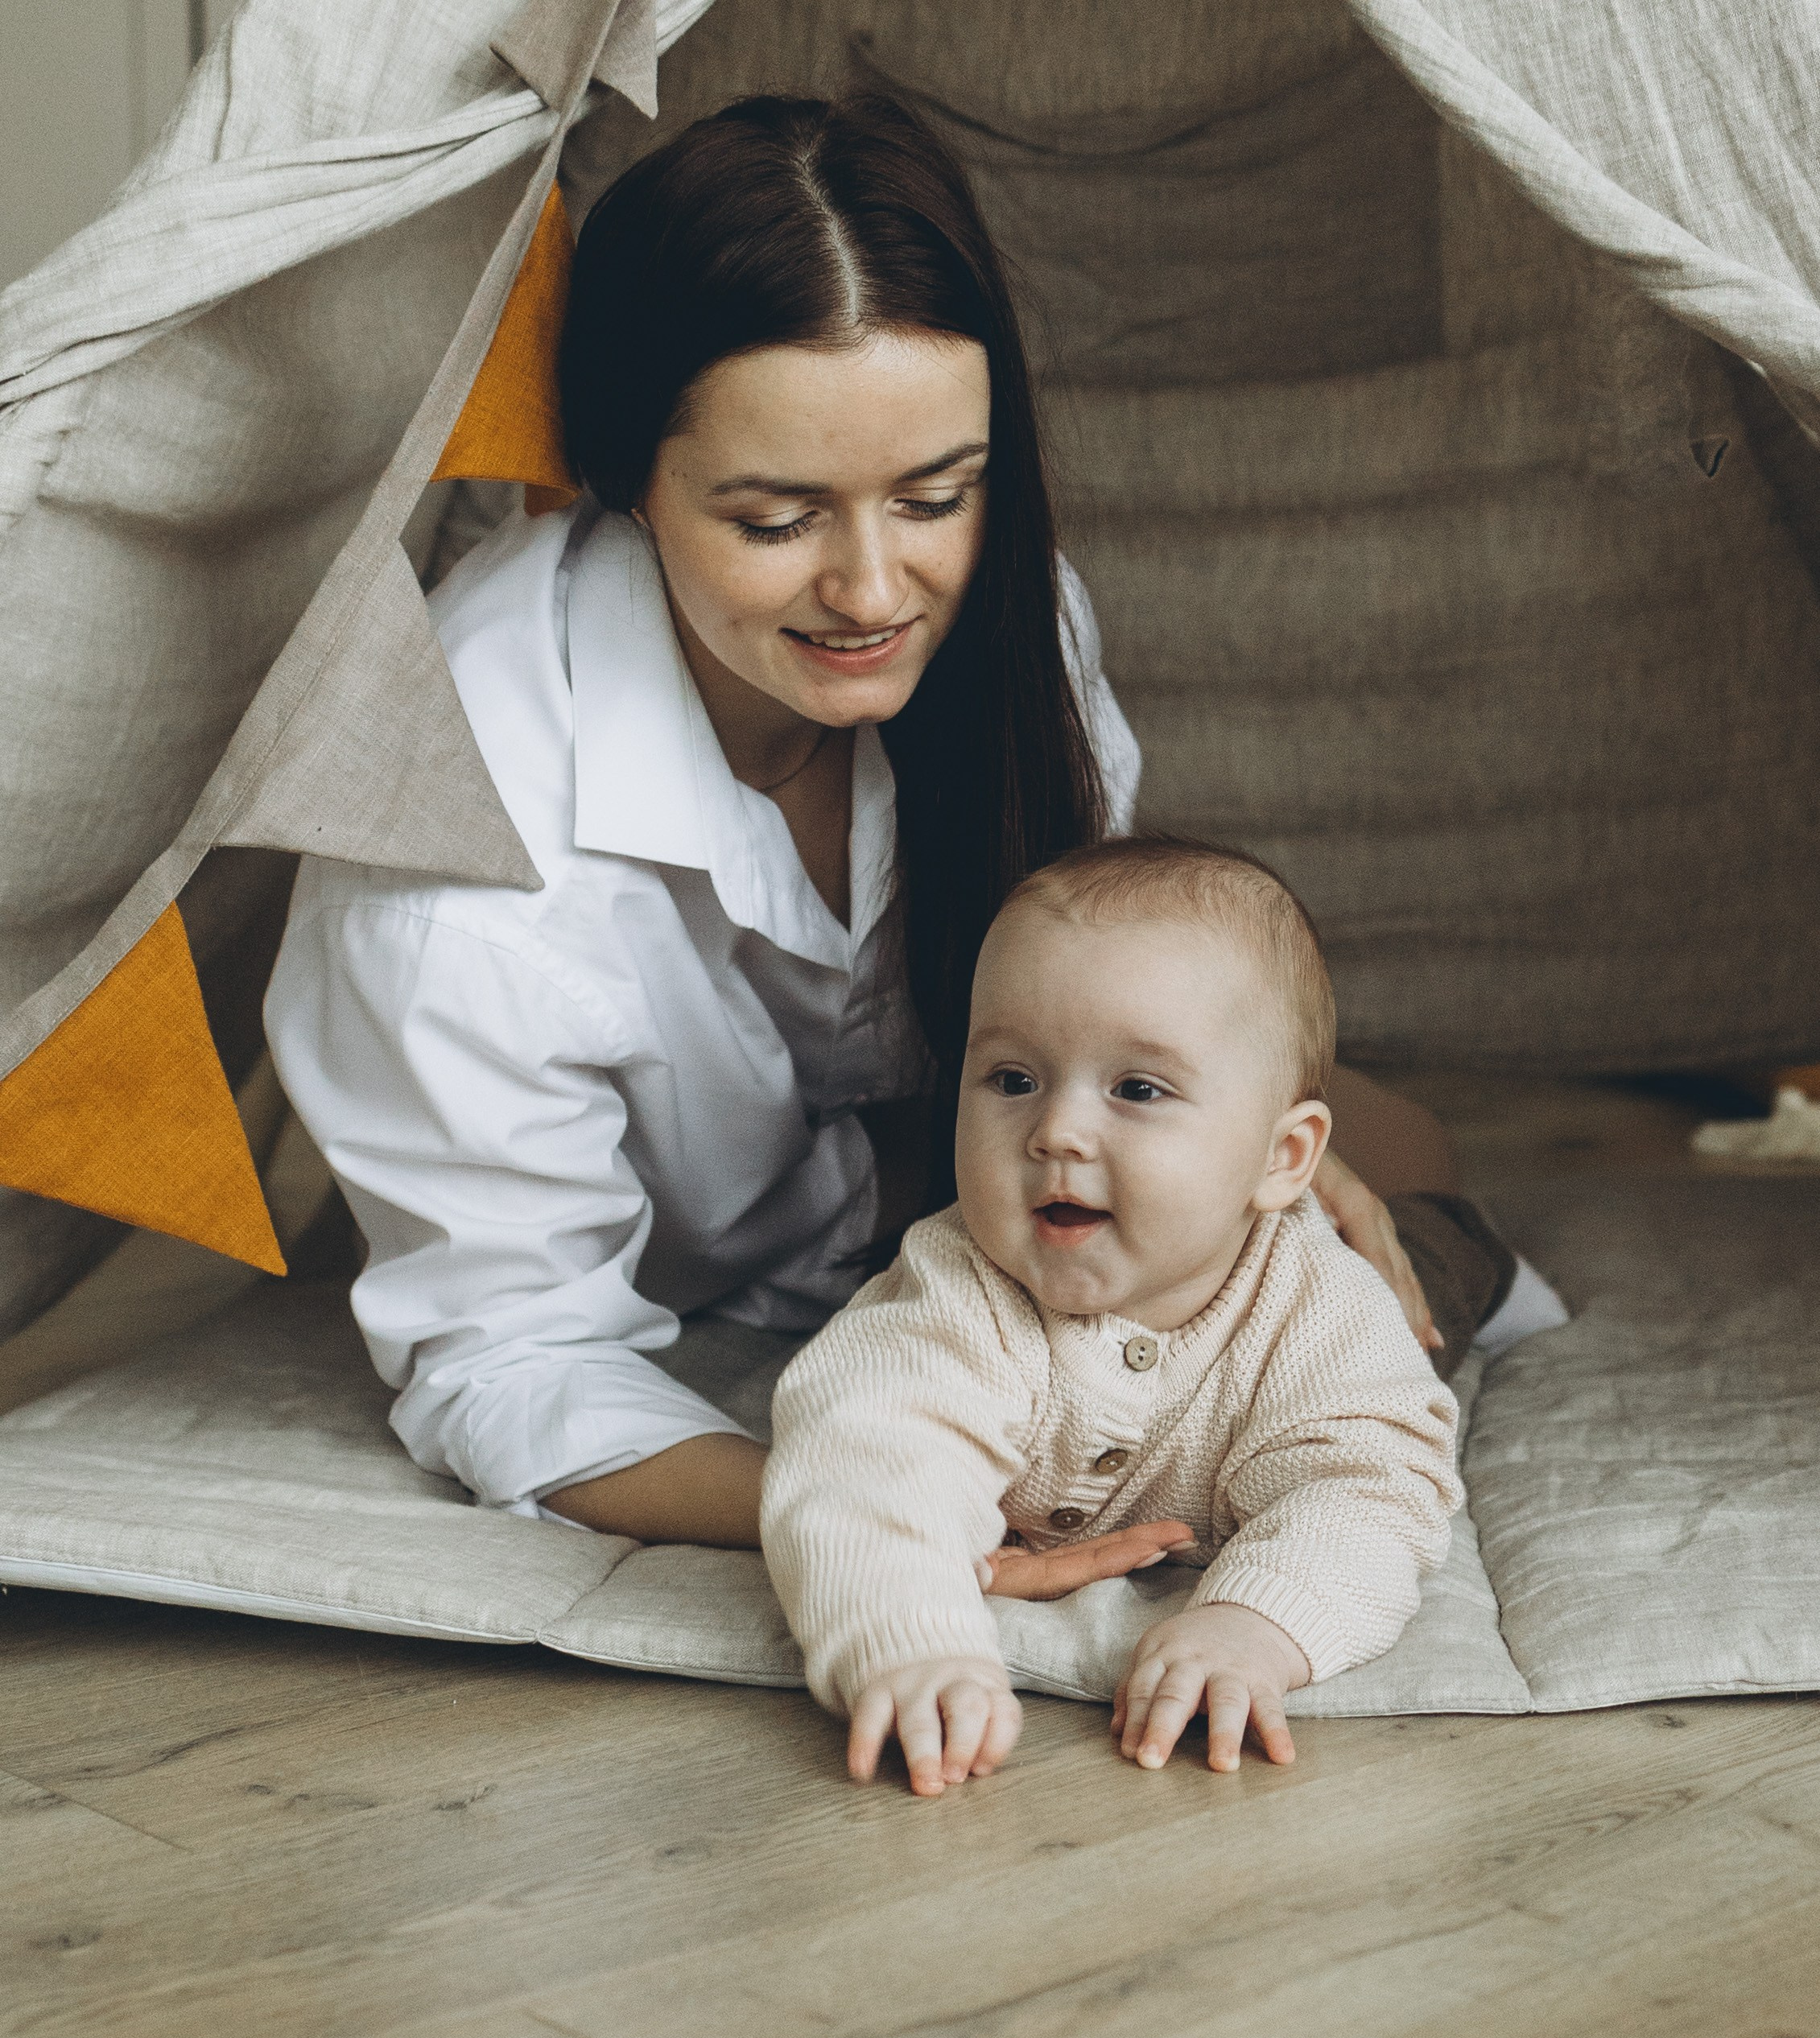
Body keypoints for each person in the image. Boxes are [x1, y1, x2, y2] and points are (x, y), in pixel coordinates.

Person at [266, 93, 1496, 1557]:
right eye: (776, 520)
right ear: (623, 479)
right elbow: (512, 1366)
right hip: (782, 1271)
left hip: (976, 1184)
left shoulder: (1011, 626)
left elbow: (1106, 988)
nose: (872, 590)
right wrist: (894, 1529)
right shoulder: (448, 859)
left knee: (1395, 1160)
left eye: (935, 496)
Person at [761, 837, 1466, 1797]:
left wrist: (1255, 1626)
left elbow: (1368, 1490)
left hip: (1393, 1283)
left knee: (1439, 1276)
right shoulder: (954, 1288)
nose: (1054, 1130)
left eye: (1136, 1089)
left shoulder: (1318, 1307)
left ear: (1281, 1155)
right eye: (1013, 1079)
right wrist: (911, 1641)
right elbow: (865, 1457)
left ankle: (1461, 1230)